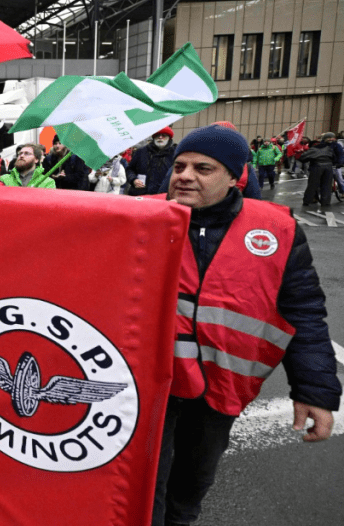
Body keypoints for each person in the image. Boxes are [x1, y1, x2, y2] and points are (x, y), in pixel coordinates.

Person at [154, 124, 341, 526]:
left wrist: (315, 390)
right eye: (180, 166)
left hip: (221, 390)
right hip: (153, 386)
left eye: (203, 168)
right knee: (143, 491)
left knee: (188, 491)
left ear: (234, 175)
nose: (185, 175)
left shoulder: (278, 229)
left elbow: (303, 311)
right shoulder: (141, 218)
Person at [127, 127, 176, 195]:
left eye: (163, 135)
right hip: (140, 195)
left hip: (163, 196)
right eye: (157, 135)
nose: (160, 137)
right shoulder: (141, 152)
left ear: (169, 138)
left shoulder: (175, 153)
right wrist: (134, 180)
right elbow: (130, 169)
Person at [299, 132, 340, 212]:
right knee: (327, 185)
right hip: (328, 166)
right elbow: (334, 158)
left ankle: (307, 200)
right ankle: (326, 202)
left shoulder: (313, 149)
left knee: (312, 184)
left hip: (317, 166)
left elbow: (302, 158)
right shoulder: (329, 148)